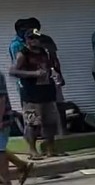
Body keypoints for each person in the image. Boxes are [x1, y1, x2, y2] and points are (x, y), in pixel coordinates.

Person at [9, 30, 61, 159]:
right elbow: (13, 71)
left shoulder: (45, 52)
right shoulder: (23, 54)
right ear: (27, 40)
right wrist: (34, 74)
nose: (34, 41)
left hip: (47, 91)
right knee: (32, 123)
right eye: (31, 38)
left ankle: (50, 149)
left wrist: (55, 74)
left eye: (37, 38)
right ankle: (32, 151)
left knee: (50, 122)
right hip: (31, 94)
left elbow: (51, 67)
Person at [0, 77, 33, 185]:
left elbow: (1, 99)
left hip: (2, 119)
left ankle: (6, 181)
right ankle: (21, 165)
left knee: (0, 150)